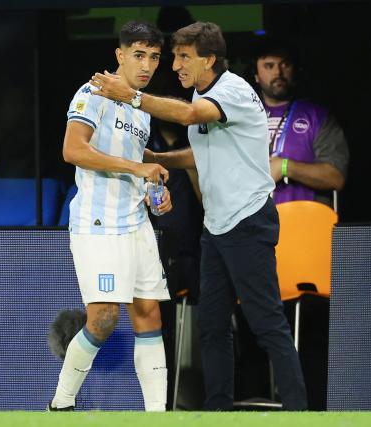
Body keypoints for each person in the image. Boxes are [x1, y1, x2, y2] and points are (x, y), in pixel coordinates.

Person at [91, 21, 307, 411]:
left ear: (209, 59)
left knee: (267, 323)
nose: (175, 65)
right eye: (175, 56)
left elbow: (191, 116)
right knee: (212, 326)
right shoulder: (201, 93)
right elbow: (200, 152)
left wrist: (133, 96)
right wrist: (159, 158)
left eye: (183, 57)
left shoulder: (234, 90)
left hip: (248, 221)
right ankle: (217, 412)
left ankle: (299, 414)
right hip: (217, 227)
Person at [48, 21, 173, 412]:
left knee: (149, 312)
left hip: (136, 223)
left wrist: (155, 191)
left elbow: (135, 166)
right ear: (119, 56)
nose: (147, 64)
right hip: (98, 223)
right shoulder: (93, 92)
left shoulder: (141, 111)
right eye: (138, 55)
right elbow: (73, 150)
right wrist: (138, 169)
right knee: (103, 319)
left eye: (154, 57)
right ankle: (61, 404)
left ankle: (158, 417)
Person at [253, 38, 349, 208]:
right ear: (256, 76)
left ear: (294, 71)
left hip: (304, 226)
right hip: (253, 229)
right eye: (269, 66)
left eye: (285, 65)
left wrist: (285, 167)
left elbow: (336, 177)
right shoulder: (242, 119)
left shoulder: (317, 116)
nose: (278, 73)